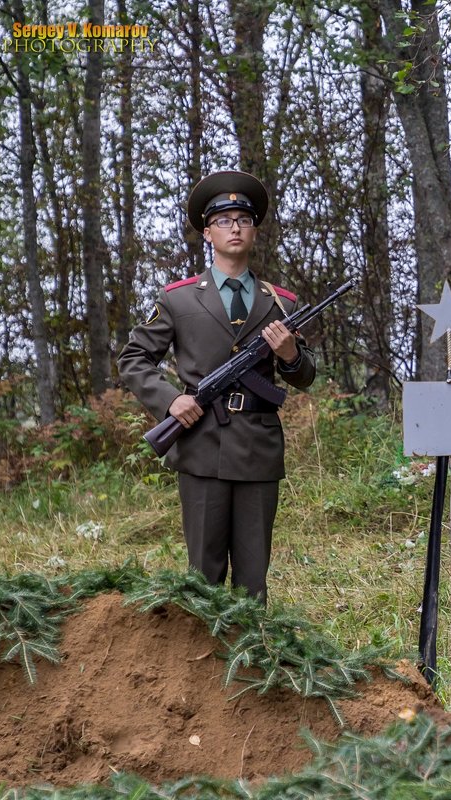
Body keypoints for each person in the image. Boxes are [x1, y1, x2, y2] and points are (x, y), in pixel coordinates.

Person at [118, 170, 316, 603]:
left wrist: (289, 355)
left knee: (252, 581)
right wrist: (171, 400)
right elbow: (133, 358)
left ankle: (250, 663)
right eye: (224, 221)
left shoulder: (282, 302)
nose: (235, 228)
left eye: (243, 220)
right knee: (203, 576)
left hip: (258, 449)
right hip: (201, 444)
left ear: (254, 231)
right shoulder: (180, 298)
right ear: (208, 232)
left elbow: (305, 376)